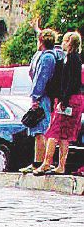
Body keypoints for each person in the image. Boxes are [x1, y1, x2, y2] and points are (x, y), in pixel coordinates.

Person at [37, 31, 83, 175]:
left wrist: (63, 100)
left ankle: (46, 163)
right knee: (65, 135)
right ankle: (61, 165)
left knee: (54, 131)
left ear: (70, 42)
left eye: (64, 40)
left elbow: (71, 82)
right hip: (74, 100)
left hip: (69, 100)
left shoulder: (71, 58)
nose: (62, 43)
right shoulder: (74, 58)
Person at [21, 27, 61, 173]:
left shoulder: (47, 58)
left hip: (43, 97)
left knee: (40, 131)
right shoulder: (51, 56)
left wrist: (35, 97)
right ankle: (37, 162)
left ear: (41, 41)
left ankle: (41, 162)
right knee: (38, 131)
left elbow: (40, 79)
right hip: (46, 96)